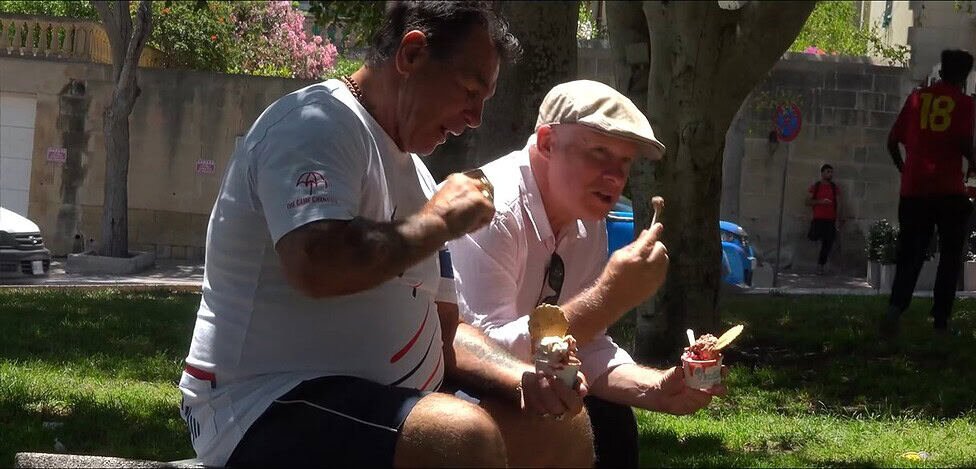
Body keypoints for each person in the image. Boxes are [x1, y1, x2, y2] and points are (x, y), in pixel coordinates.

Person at [178, 3, 594, 467]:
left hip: (386, 405)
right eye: (470, 89)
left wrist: (522, 379)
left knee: (560, 424)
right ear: (412, 54)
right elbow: (315, 262)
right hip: (258, 405)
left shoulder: (417, 175)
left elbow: (446, 335)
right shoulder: (316, 124)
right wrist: (436, 222)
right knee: (459, 437)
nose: (475, 117)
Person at [445, 80, 726, 468]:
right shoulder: (490, 210)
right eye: (600, 153)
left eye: (626, 162)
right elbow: (485, 357)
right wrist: (609, 297)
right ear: (546, 143)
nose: (615, 176)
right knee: (569, 419)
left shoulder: (586, 219)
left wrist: (657, 389)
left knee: (612, 421)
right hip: (458, 392)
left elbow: (587, 344)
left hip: (531, 382)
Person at [881, 49, 976, 337]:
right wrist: (975, 166)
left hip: (914, 189)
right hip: (948, 189)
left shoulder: (916, 98)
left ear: (941, 71)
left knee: (910, 252)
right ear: (963, 76)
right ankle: (940, 321)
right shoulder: (964, 103)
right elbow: (963, 142)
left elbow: (892, 141)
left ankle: (895, 309)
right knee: (950, 255)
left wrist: (905, 170)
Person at [805, 164, 841, 275]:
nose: (830, 174)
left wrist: (839, 218)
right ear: (822, 173)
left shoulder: (834, 188)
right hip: (818, 219)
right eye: (827, 172)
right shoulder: (816, 186)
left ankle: (820, 265)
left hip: (830, 220)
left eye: (831, 172)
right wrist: (821, 202)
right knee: (813, 238)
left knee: (828, 243)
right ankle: (809, 262)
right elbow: (807, 202)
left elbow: (839, 203)